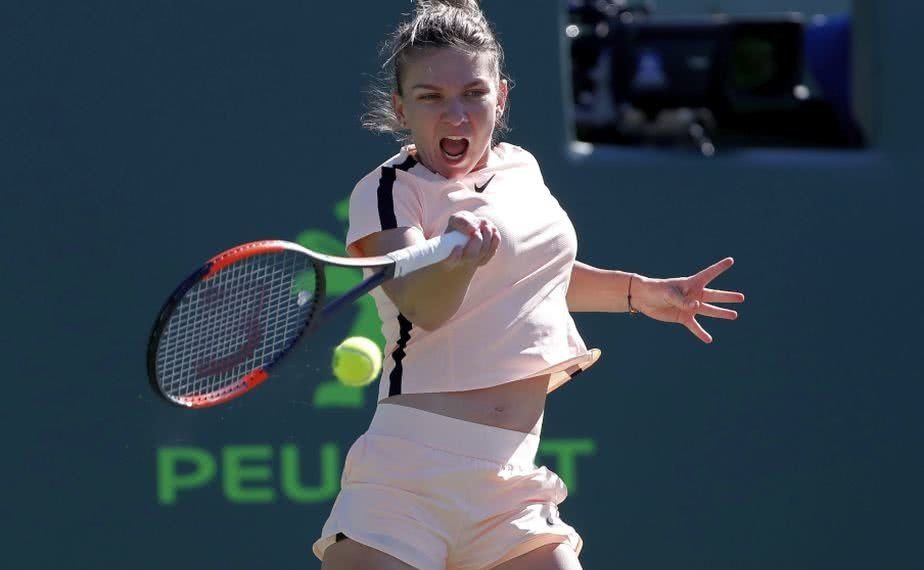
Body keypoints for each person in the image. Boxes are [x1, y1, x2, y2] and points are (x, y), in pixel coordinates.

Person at [313, 1, 745, 568]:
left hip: (512, 481)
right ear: (400, 108)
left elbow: (537, 281)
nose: (457, 115)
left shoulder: (521, 169)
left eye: (473, 92)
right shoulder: (388, 191)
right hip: (406, 481)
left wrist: (639, 292)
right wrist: (459, 260)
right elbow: (423, 305)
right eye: (431, 97)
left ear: (502, 97)